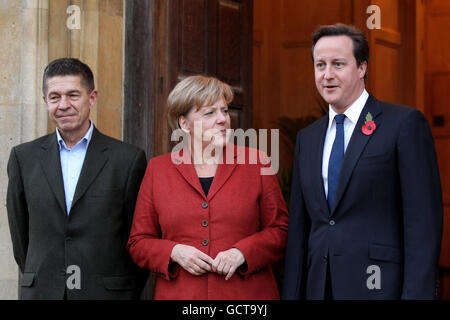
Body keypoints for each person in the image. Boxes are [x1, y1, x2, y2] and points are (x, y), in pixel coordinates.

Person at [282, 23, 443, 300]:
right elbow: (299, 231)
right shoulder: (308, 139)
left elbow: (423, 225)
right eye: (320, 65)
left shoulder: (403, 124)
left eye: (338, 64)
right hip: (319, 289)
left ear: (362, 68)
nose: (327, 75)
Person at [127, 75, 288, 299]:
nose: (222, 119)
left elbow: (280, 231)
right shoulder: (158, 169)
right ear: (184, 124)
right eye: (209, 113)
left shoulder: (257, 162)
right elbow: (139, 242)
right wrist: (174, 252)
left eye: (224, 110)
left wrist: (242, 253)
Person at [6, 58, 148, 299]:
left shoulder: (127, 160)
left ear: (91, 97)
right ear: (45, 101)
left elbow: (138, 237)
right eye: (55, 97)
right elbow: (21, 238)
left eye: (73, 95)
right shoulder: (23, 158)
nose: (63, 105)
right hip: (43, 293)